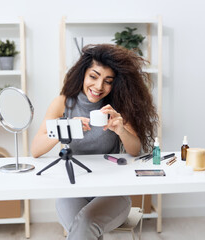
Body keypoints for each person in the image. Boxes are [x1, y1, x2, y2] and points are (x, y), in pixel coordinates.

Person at [31, 44, 158, 240]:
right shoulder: (63, 103)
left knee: (85, 225)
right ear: (82, 74)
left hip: (113, 192)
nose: (99, 87)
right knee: (83, 228)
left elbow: (135, 150)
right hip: (74, 189)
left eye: (108, 81)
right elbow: (36, 149)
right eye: (93, 76)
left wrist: (121, 130)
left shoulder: (119, 106)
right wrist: (65, 128)